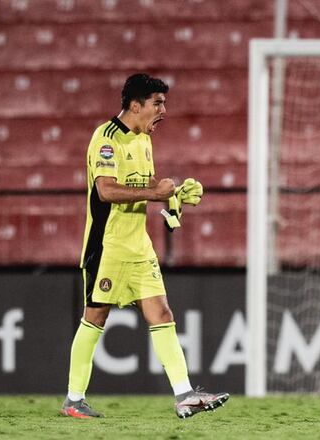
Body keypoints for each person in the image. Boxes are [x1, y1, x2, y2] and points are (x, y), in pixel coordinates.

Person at [61, 73, 229, 419]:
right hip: (107, 247)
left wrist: (175, 194)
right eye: (157, 103)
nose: (163, 110)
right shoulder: (106, 140)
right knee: (94, 317)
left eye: (163, 103)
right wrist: (155, 193)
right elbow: (106, 190)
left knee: (163, 314)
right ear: (135, 105)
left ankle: (184, 394)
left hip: (139, 247)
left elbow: (143, 185)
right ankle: (74, 400)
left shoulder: (144, 139)